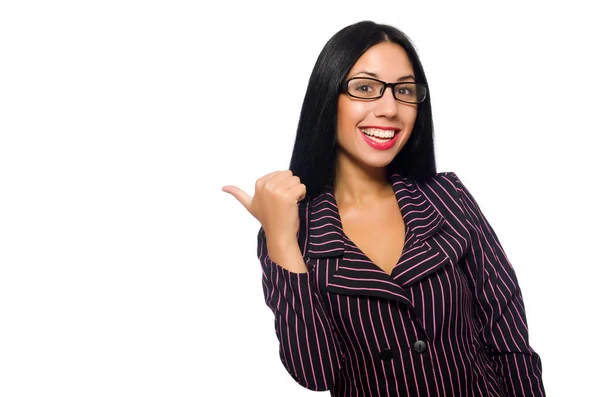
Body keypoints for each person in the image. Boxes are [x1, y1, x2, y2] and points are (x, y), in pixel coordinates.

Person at [222, 20, 545, 397]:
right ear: (328, 98)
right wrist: (281, 239)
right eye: (365, 88)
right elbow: (315, 372)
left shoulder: (447, 196)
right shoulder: (291, 228)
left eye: (404, 91)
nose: (390, 108)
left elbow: (508, 336)